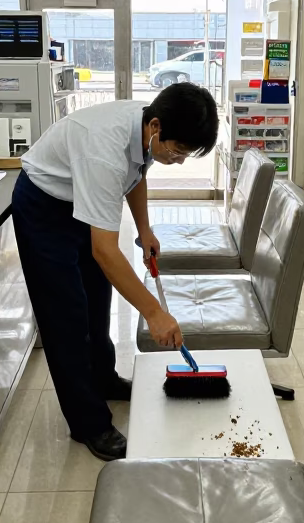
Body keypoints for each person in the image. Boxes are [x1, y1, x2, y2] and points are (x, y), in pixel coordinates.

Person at [12, 82, 219, 461]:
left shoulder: (147, 127)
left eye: (187, 155)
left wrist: (144, 228)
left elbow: (136, 174)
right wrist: (154, 312)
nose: (179, 160)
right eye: (179, 151)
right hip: (44, 206)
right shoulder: (103, 151)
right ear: (156, 127)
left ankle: (103, 380)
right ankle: (89, 423)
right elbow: (105, 251)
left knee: (96, 298)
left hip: (79, 198)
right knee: (67, 317)